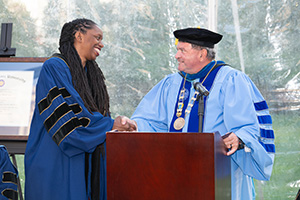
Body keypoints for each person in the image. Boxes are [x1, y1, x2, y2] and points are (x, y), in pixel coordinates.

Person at [131, 27, 275, 199]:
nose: (177, 56)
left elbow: (249, 125)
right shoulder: (171, 83)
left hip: (221, 171)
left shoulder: (231, 80)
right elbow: (151, 120)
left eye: (182, 50)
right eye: (177, 50)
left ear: (201, 54)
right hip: (177, 168)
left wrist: (239, 137)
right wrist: (134, 125)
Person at [25, 18, 136, 200]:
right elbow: (70, 119)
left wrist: (118, 127)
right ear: (79, 36)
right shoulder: (54, 67)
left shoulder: (91, 75)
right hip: (54, 161)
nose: (102, 43)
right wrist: (110, 125)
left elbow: (97, 114)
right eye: (97, 37)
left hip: (84, 159)